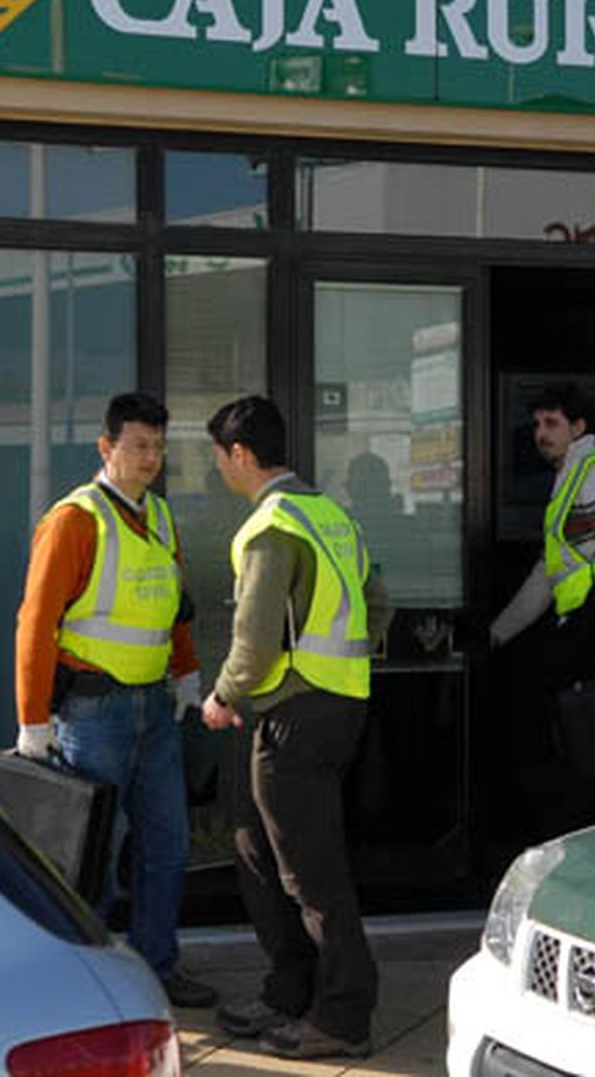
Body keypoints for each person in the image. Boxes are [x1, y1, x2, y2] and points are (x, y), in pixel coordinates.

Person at [200, 394, 393, 1061]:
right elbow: (378, 601)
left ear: (241, 455)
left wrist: (224, 693)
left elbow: (251, 640)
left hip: (295, 716)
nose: (219, 468)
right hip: (337, 707)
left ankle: (344, 1014)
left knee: (311, 873)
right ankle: (290, 989)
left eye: (219, 456)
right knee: (254, 841)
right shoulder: (331, 515)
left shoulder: (271, 524)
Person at [12, 391, 216, 1009]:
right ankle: (82, 980)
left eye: (158, 446)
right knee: (91, 854)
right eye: (138, 446)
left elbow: (172, 607)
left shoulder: (158, 517)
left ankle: (156, 967)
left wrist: (186, 675)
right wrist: (33, 720)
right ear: (107, 448)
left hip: (153, 707)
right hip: (92, 715)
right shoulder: (74, 520)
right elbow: (35, 624)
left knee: (167, 845)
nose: (151, 458)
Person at [489, 381, 595, 674]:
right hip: (584, 623)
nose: (541, 433)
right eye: (537, 424)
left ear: (578, 428)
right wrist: (499, 632)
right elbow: (548, 573)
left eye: (552, 423)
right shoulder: (569, 477)